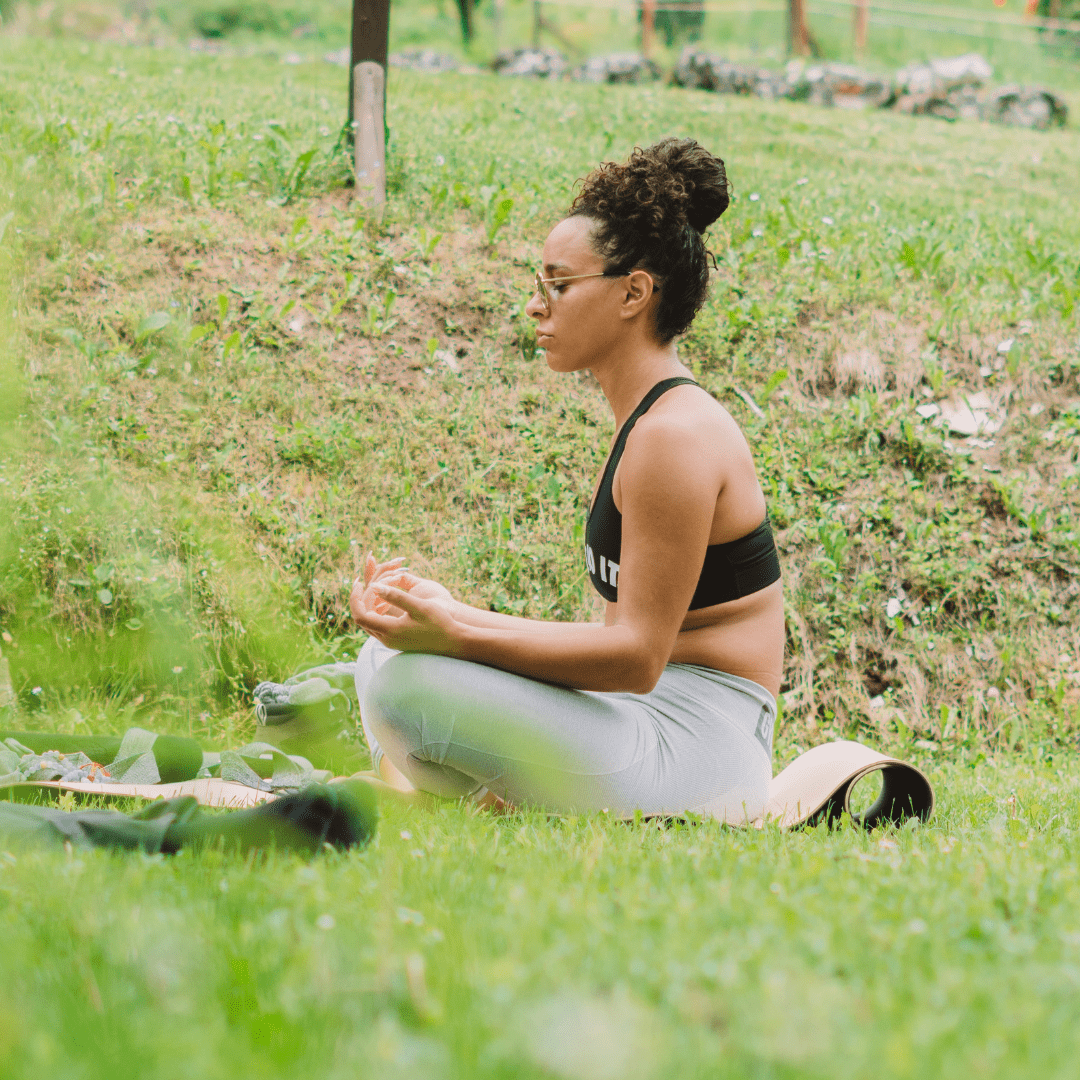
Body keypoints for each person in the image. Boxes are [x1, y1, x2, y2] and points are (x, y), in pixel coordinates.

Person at [350, 138, 783, 823]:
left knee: (407, 690)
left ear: (633, 292)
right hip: (642, 717)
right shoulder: (647, 421)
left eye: (558, 285)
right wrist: (449, 612)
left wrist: (457, 635)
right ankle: (475, 795)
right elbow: (619, 646)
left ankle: (457, 796)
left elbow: (635, 658)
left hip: (700, 750)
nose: (536, 306)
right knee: (379, 660)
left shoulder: (673, 438)